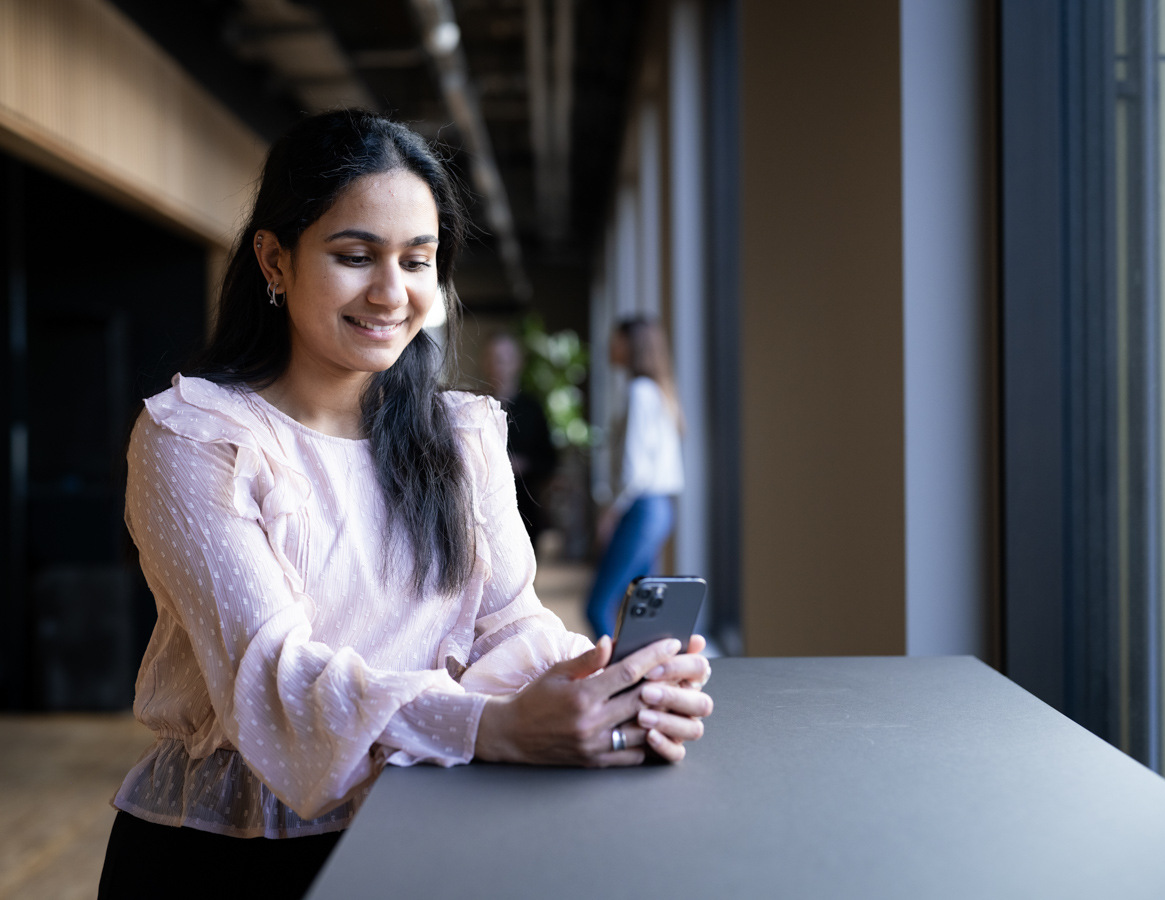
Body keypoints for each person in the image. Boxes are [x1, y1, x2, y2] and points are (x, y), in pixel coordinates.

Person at [98, 110, 712, 899]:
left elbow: (510, 620)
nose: (392, 293)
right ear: (274, 260)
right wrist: (487, 725)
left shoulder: (461, 433)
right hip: (235, 855)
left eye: (418, 262)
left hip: (428, 820)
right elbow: (273, 678)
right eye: (355, 256)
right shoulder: (197, 435)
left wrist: (602, 685)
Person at [585, 317, 686, 638]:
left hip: (640, 509)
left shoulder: (640, 392)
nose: (610, 347)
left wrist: (610, 513)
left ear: (632, 345)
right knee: (644, 613)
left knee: (598, 607)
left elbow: (634, 468)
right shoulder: (658, 391)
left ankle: (616, 681)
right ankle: (647, 680)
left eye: (616, 340)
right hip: (659, 510)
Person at [480, 331, 557, 546]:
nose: (499, 366)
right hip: (483, 510)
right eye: (494, 359)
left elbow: (549, 459)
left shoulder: (533, 408)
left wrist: (524, 465)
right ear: (485, 362)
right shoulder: (476, 405)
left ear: (518, 363)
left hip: (524, 507)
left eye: (505, 360)